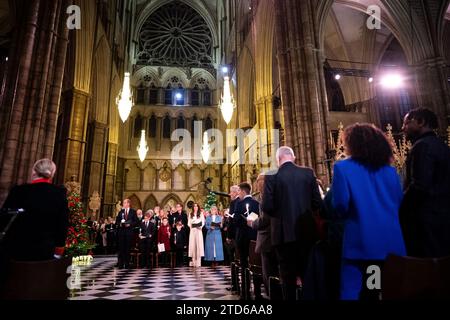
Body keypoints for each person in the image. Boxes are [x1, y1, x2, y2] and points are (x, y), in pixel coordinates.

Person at [331, 123, 406, 300]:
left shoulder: (344, 168)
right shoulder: (390, 171)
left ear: (352, 143)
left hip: (362, 243)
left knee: (356, 292)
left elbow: (340, 205)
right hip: (391, 242)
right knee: (385, 290)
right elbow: (399, 202)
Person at [262, 147, 322, 300]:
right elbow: (317, 203)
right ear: (293, 157)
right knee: (308, 276)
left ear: (278, 159)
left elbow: (267, 207)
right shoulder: (308, 173)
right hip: (307, 234)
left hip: (283, 235)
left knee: (287, 279)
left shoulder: (271, 176)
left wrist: (281, 214)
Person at [400, 108, 450, 258]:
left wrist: (400, 207)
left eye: (407, 123)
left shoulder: (422, 146)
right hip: (443, 217)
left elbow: (420, 186)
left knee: (427, 270)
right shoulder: (441, 145)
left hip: (428, 221)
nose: (403, 128)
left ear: (421, 122)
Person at [1, 159, 69, 262]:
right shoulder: (59, 194)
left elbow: (4, 218)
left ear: (33, 171)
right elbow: (62, 225)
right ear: (52, 174)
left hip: (15, 250)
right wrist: (59, 249)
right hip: (43, 252)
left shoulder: (18, 191)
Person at [247, 173, 278, 298]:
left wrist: (252, 223)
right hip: (274, 239)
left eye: (258, 183)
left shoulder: (267, 197)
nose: (257, 186)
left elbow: (265, 219)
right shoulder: (273, 195)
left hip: (267, 240)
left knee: (269, 275)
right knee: (273, 274)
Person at [234, 182, 260, 296]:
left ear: (244, 192)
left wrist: (244, 221)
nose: (238, 194)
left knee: (244, 264)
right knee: (255, 264)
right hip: (254, 238)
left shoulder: (239, 204)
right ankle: (258, 291)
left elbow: (236, 221)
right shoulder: (256, 203)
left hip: (242, 238)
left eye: (239, 191)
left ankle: (245, 288)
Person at [115, 198, 138, 269]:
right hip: (121, 233)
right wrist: (120, 224)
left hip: (129, 233)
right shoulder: (120, 212)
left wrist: (130, 224)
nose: (123, 204)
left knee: (127, 248)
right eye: (123, 203)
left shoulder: (133, 212)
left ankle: (127, 264)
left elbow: (136, 221)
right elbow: (117, 221)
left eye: (125, 203)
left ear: (128, 204)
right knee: (121, 248)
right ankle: (121, 264)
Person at [188, 203, 205, 267]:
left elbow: (203, 222)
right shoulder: (190, 214)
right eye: (194, 206)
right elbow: (189, 223)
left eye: (196, 206)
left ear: (198, 207)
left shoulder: (200, 214)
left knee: (198, 245)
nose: (195, 207)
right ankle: (193, 262)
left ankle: (198, 262)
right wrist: (192, 225)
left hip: (199, 230)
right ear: (193, 207)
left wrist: (199, 225)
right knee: (193, 245)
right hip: (192, 231)